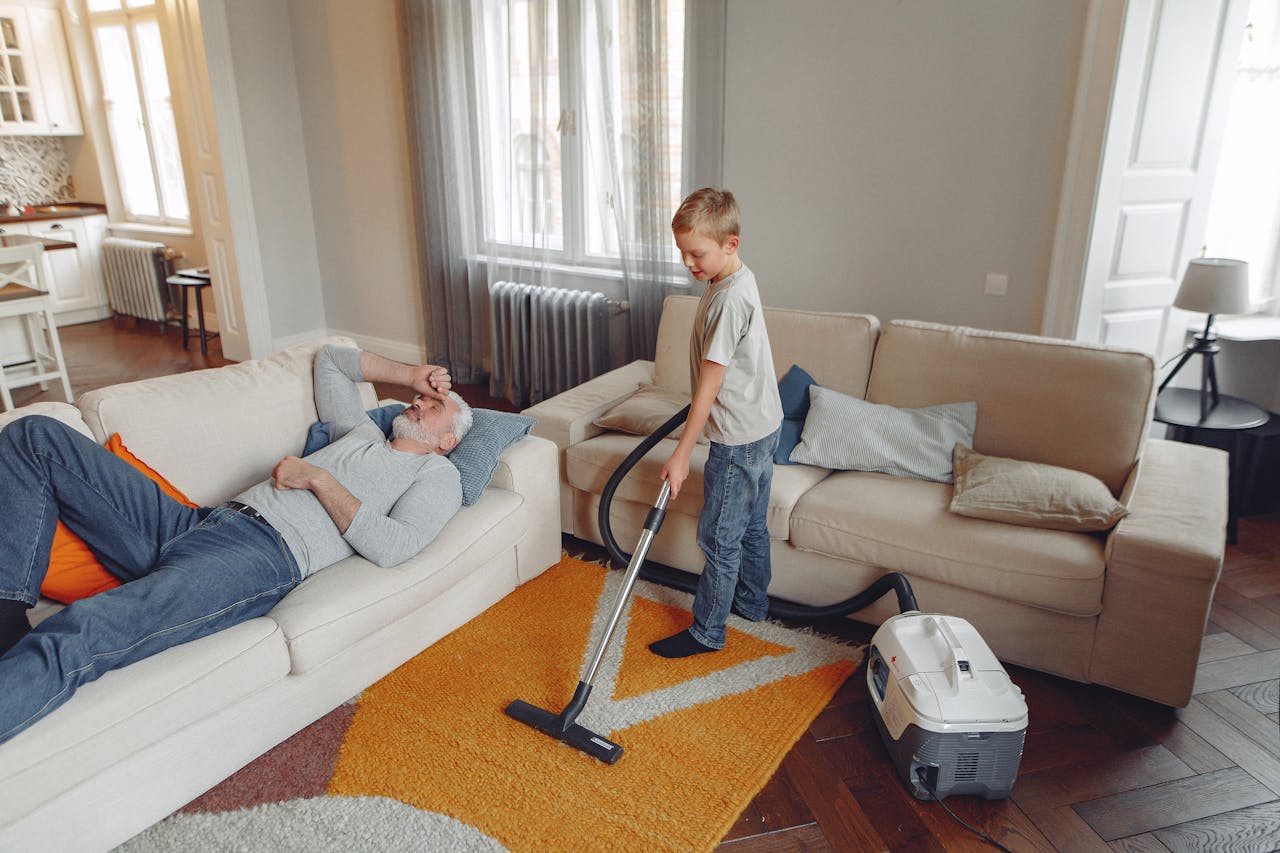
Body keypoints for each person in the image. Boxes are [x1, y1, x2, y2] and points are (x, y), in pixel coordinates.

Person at [0, 344, 472, 744]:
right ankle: (5, 613)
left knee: (86, 626)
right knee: (34, 435)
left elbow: (396, 545)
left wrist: (319, 479)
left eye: (435, 407)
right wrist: (412, 372)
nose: (419, 403)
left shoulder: (436, 474)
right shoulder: (362, 432)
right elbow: (330, 360)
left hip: (257, 558)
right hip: (194, 522)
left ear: (447, 440)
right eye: (420, 397)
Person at [651, 187, 783, 658]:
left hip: (739, 438)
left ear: (731, 243)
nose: (689, 262)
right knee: (751, 527)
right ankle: (752, 603)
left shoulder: (728, 300)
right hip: (765, 423)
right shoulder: (732, 279)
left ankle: (707, 632)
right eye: (683, 251)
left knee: (719, 537)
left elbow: (709, 387)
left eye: (697, 252)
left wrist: (682, 454)